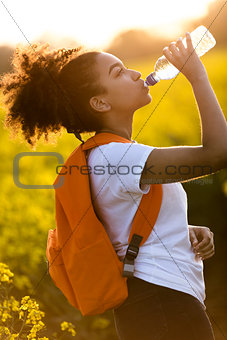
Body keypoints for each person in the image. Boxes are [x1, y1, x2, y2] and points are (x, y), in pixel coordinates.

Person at [0, 32, 226, 340]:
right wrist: (196, 75)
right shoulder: (115, 156)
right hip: (161, 303)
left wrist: (180, 230)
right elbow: (216, 154)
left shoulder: (112, 153)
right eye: (118, 72)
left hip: (158, 303)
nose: (135, 74)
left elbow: (123, 223)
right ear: (99, 102)